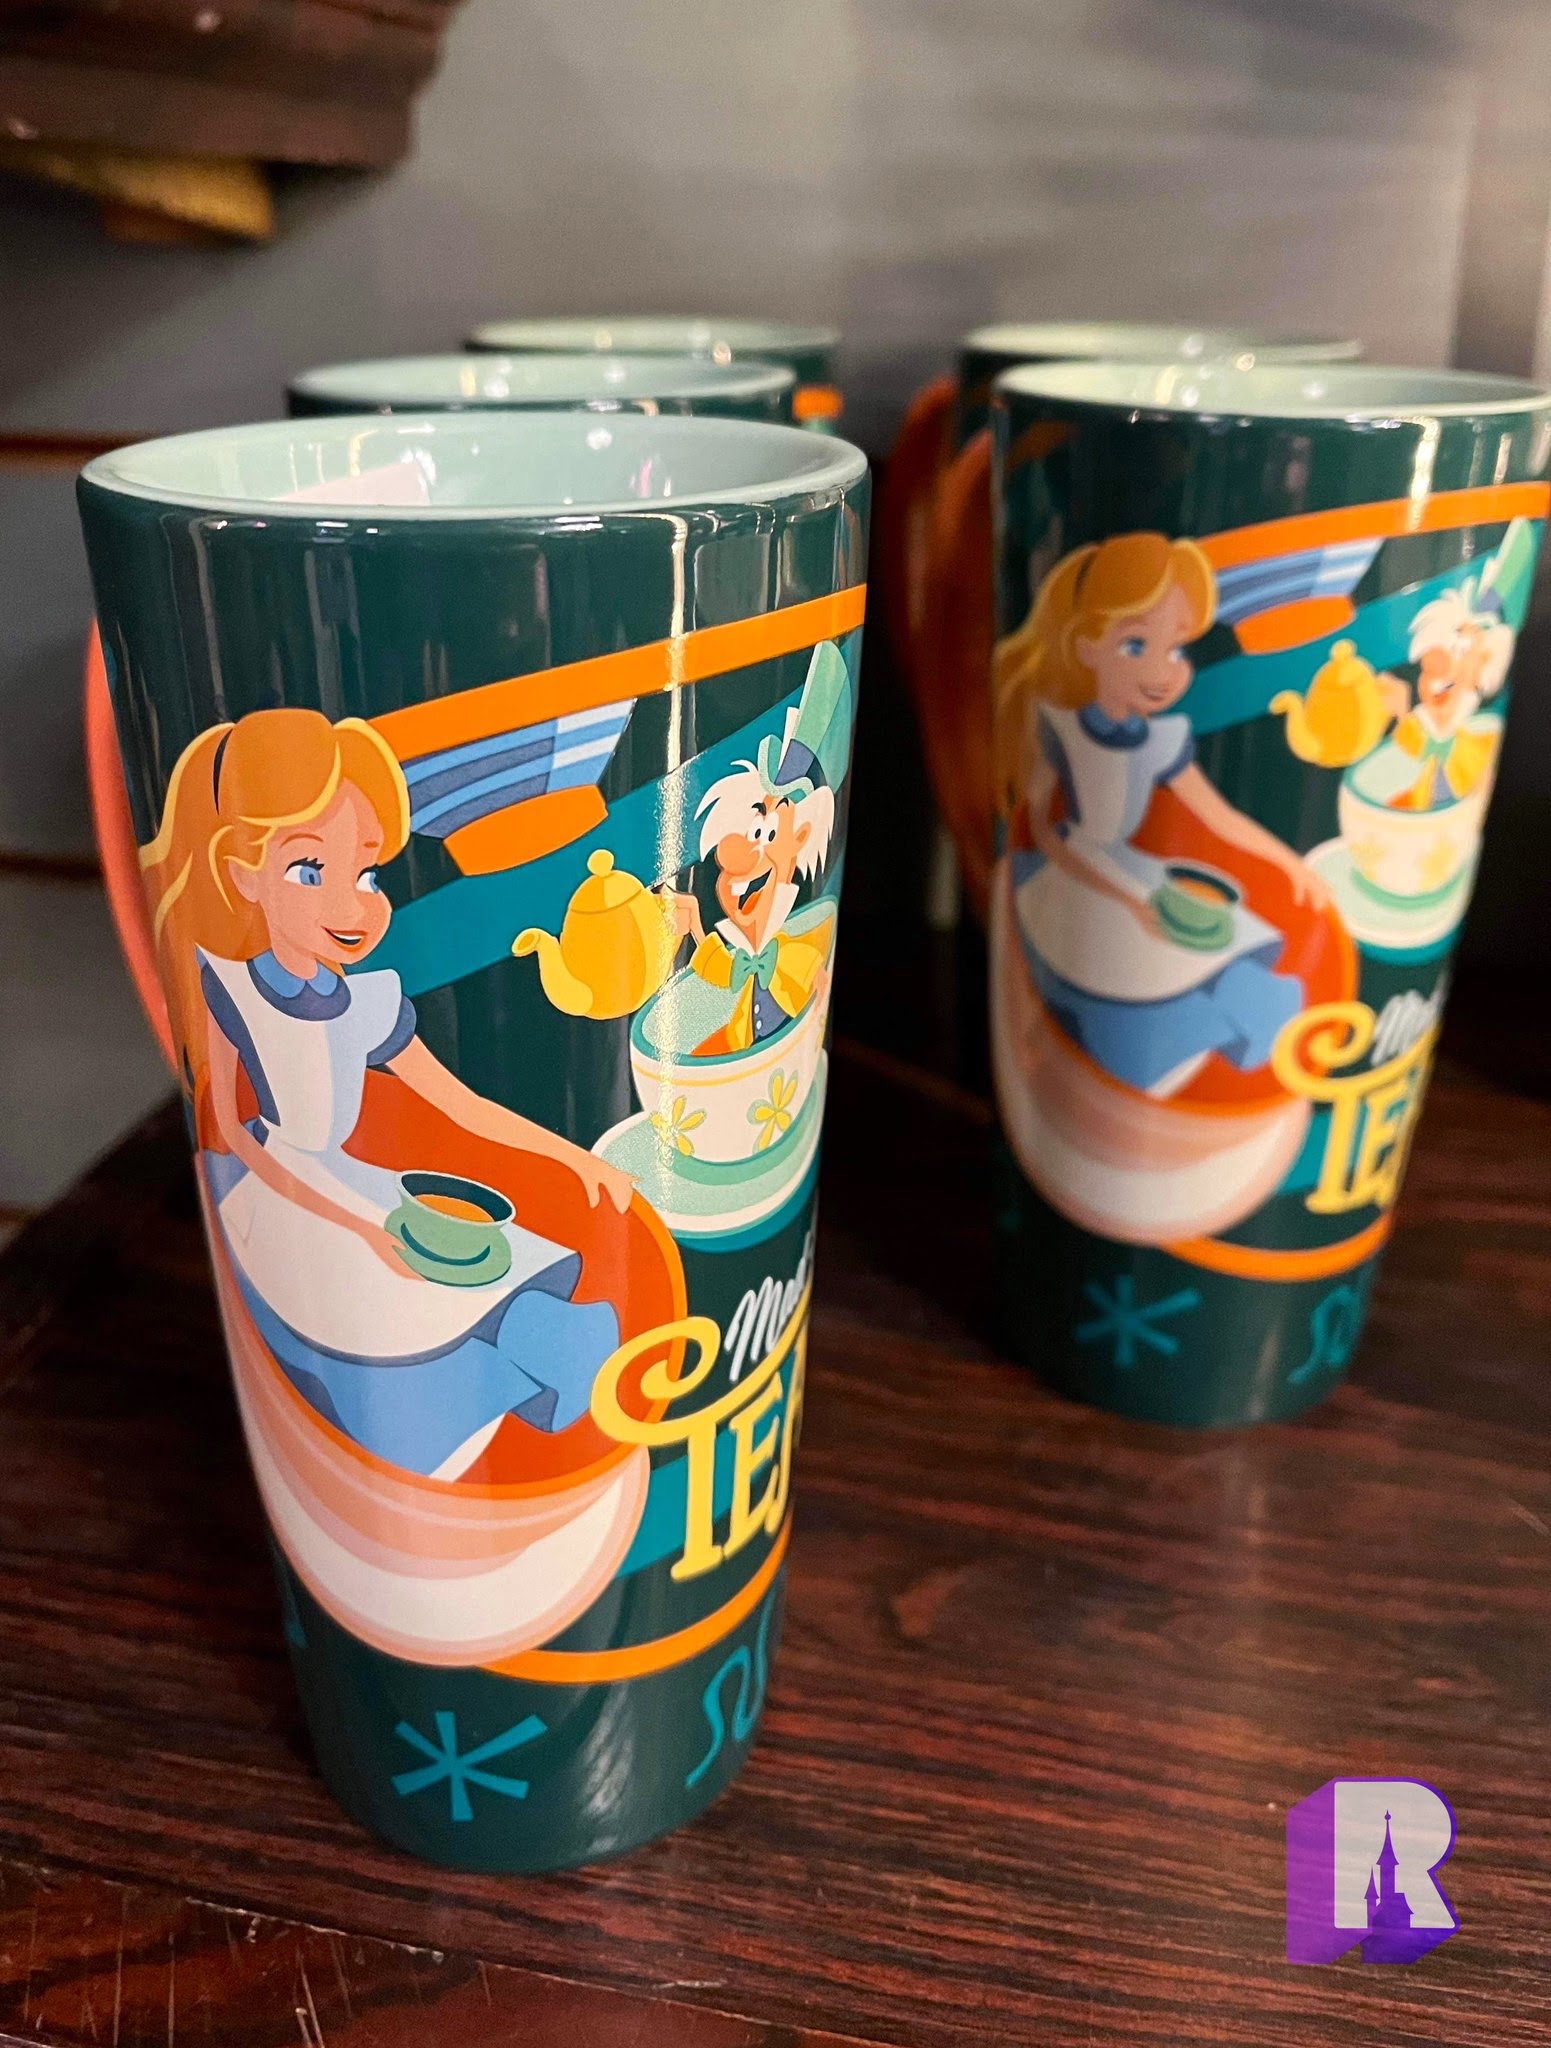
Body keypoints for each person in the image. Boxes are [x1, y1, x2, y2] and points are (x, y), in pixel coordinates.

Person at [142, 708, 630, 1478]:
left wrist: (574, 1159)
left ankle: (543, 1357)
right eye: (310, 870)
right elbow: (231, 1133)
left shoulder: (366, 1004)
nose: (353, 904)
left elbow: (459, 1103)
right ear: (243, 875)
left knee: (487, 1266)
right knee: (386, 1313)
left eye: (367, 875)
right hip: (278, 1190)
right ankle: (473, 1403)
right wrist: (357, 1227)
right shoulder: (228, 988)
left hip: (354, 1179)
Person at [993, 533, 1328, 1099]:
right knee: (1130, 978)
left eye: (1175, 650)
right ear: (1086, 649)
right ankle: (1166, 1051)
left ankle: (1236, 1029)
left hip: (1132, 872)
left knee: (1221, 948)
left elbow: (1218, 815)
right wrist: (1129, 900)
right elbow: (1048, 836)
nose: (1162, 670)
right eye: (1134, 645)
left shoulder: (1158, 740)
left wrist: (1288, 863)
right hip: (1072, 876)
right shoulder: (1061, 729)